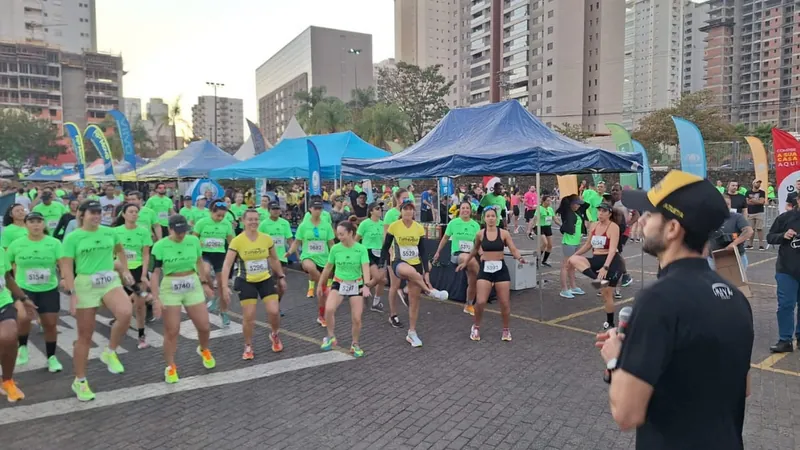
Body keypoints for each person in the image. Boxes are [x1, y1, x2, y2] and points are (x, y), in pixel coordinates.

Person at [598, 170, 752, 449]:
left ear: (672, 229)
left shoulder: (658, 299)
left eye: (650, 214)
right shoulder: (735, 297)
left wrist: (616, 359)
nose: (641, 220)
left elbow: (626, 414)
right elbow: (744, 386)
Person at [60, 200, 134, 401]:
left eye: (99, 212)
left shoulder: (109, 232)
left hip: (109, 279)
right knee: (85, 335)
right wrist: (72, 293)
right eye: (92, 212)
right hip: (86, 282)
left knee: (126, 312)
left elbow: (120, 251)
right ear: (82, 214)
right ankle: (80, 381)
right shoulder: (73, 237)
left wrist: (125, 270)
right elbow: (66, 265)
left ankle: (110, 351)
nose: (96, 216)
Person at [151, 215, 216, 383]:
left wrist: (205, 283)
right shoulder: (160, 246)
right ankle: (171, 366)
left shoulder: (193, 241)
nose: (181, 235)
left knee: (204, 326)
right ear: (170, 229)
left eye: (184, 231)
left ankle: (204, 349)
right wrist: (156, 299)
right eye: (178, 232)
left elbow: (199, 262)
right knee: (172, 331)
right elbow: (155, 273)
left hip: (192, 283)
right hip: (170, 286)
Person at [380, 199, 449, 347]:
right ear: (401, 211)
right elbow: (385, 246)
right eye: (406, 209)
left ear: (414, 212)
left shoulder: (418, 228)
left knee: (414, 300)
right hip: (399, 262)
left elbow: (423, 252)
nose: (408, 211)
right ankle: (429, 291)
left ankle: (412, 333)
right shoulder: (394, 226)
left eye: (411, 209)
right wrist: (381, 264)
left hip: (416, 264)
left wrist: (426, 271)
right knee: (409, 271)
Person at [222, 209, 286, 359]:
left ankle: (275, 335)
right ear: (243, 221)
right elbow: (227, 264)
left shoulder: (266, 238)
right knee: (249, 316)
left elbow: (274, 259)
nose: (253, 222)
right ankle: (248, 345)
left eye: (256, 219)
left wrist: (281, 276)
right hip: (246, 281)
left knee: (274, 311)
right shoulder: (237, 241)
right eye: (250, 219)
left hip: (265, 279)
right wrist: (224, 286)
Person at [7, 212, 64, 373]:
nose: (36, 225)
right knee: (23, 318)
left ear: (44, 224)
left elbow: (62, 262)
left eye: (39, 221)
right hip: (24, 288)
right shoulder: (17, 244)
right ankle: (23, 346)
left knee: (50, 324)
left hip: (48, 288)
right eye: (32, 222)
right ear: (26, 225)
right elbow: (6, 263)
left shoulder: (54, 243)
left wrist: (66, 277)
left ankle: (51, 357)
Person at [457, 206, 525, 342]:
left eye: (493, 216)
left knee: (505, 303)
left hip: (501, 270)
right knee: (481, 302)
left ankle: (506, 330)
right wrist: (465, 263)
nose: (491, 218)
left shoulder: (504, 233)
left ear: (497, 217)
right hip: (485, 270)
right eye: (488, 216)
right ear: (484, 218)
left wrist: (519, 258)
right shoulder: (480, 234)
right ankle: (476, 327)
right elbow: (474, 250)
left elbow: (513, 249)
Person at [317, 220, 371, 357]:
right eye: (338, 234)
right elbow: (328, 267)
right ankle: (330, 336)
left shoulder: (361, 249)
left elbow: (365, 268)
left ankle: (355, 343)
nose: (339, 237)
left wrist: (366, 285)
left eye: (342, 234)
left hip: (356, 284)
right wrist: (320, 284)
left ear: (351, 233)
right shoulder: (335, 248)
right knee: (329, 309)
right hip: (339, 283)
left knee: (357, 318)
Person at [567, 202, 623, 330]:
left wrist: (605, 267)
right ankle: (597, 280)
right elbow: (587, 245)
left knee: (607, 294)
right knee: (574, 259)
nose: (600, 213)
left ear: (609, 213)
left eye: (604, 211)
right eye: (599, 211)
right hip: (596, 259)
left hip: (612, 262)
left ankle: (610, 323)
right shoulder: (594, 225)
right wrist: (572, 257)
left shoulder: (613, 227)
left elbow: (613, 250)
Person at [286, 200, 335, 326]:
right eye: (315, 208)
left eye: (320, 209)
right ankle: (322, 285)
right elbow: (297, 241)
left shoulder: (326, 225)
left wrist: (336, 257)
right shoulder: (304, 225)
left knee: (321, 295)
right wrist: (290, 251)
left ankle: (321, 315)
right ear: (310, 210)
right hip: (308, 256)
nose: (318, 211)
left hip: (324, 259)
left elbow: (331, 244)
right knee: (310, 268)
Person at [112, 203, 153, 349]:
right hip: (121, 269)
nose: (134, 214)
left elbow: (146, 254)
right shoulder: (115, 232)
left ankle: (141, 336)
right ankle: (139, 293)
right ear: (123, 214)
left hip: (138, 268)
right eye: (131, 211)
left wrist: (144, 274)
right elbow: (112, 254)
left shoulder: (143, 232)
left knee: (140, 306)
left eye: (136, 212)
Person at [0, 243, 36, 402]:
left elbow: (7, 277)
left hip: (2, 302)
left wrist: (23, 298)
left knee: (9, 337)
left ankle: (7, 381)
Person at [765, 192, 800, 353]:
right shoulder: (785, 218)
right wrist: (783, 236)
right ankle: (785, 340)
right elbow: (770, 237)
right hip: (786, 270)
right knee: (786, 305)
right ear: (798, 201)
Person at [434, 200, 480, 315]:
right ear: (460, 210)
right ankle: (485, 278)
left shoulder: (475, 225)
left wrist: (483, 255)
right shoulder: (453, 223)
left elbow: (478, 244)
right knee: (471, 261)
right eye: (463, 208)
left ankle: (469, 305)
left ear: (471, 211)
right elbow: (445, 238)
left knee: (472, 280)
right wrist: (438, 252)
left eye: (467, 208)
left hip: (470, 255)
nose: (465, 210)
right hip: (457, 255)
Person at [193, 200, 235, 326]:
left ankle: (223, 312)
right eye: (218, 215)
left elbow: (231, 241)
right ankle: (212, 295)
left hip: (220, 255)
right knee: (205, 271)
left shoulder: (226, 224)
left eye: (223, 216)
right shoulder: (202, 223)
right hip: (204, 254)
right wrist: (197, 243)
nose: (220, 218)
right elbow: (193, 237)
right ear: (211, 212)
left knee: (223, 285)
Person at [705, 195, 753, 271]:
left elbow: (748, 231)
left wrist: (734, 244)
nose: (726, 206)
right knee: (715, 282)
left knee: (735, 282)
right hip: (713, 258)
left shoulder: (737, 217)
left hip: (735, 257)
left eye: (728, 204)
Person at [356, 202, 386, 312]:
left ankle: (376, 302)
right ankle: (365, 288)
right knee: (377, 277)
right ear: (371, 211)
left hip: (380, 252)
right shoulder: (365, 224)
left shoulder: (383, 224)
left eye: (381, 208)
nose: (380, 210)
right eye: (377, 208)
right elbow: (356, 239)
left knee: (382, 280)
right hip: (367, 252)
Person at [557, 195, 588, 299]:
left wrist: (578, 200)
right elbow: (565, 206)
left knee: (573, 266)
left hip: (576, 242)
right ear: (571, 204)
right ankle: (564, 289)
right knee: (565, 266)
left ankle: (573, 287)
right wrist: (570, 200)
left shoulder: (577, 213)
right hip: (568, 243)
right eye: (576, 204)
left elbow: (586, 205)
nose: (578, 206)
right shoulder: (567, 212)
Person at [533, 195, 559, 267]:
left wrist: (562, 225)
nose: (549, 202)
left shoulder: (550, 209)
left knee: (550, 245)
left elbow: (555, 219)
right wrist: (532, 228)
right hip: (540, 227)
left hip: (548, 227)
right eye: (548, 200)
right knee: (545, 243)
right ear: (543, 201)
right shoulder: (539, 208)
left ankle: (544, 261)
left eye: (550, 200)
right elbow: (535, 218)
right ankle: (537, 260)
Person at [745, 179, 766, 250]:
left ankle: (761, 245)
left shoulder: (762, 192)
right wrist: (757, 201)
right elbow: (747, 202)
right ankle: (750, 244)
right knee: (751, 229)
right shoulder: (748, 192)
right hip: (750, 212)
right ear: (753, 183)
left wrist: (753, 200)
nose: (758, 184)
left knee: (759, 229)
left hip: (759, 212)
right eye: (757, 183)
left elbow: (761, 202)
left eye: (759, 183)